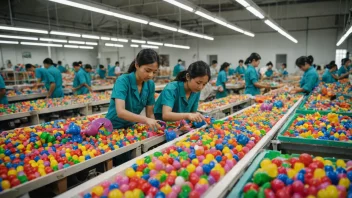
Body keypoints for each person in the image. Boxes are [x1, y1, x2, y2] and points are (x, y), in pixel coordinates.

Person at [106, 49, 160, 130]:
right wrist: (145, 120)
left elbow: (150, 114)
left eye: (154, 72)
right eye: (147, 70)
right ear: (137, 65)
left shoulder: (150, 84)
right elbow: (120, 112)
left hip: (131, 127)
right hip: (112, 127)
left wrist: (155, 127)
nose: (150, 75)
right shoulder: (123, 81)